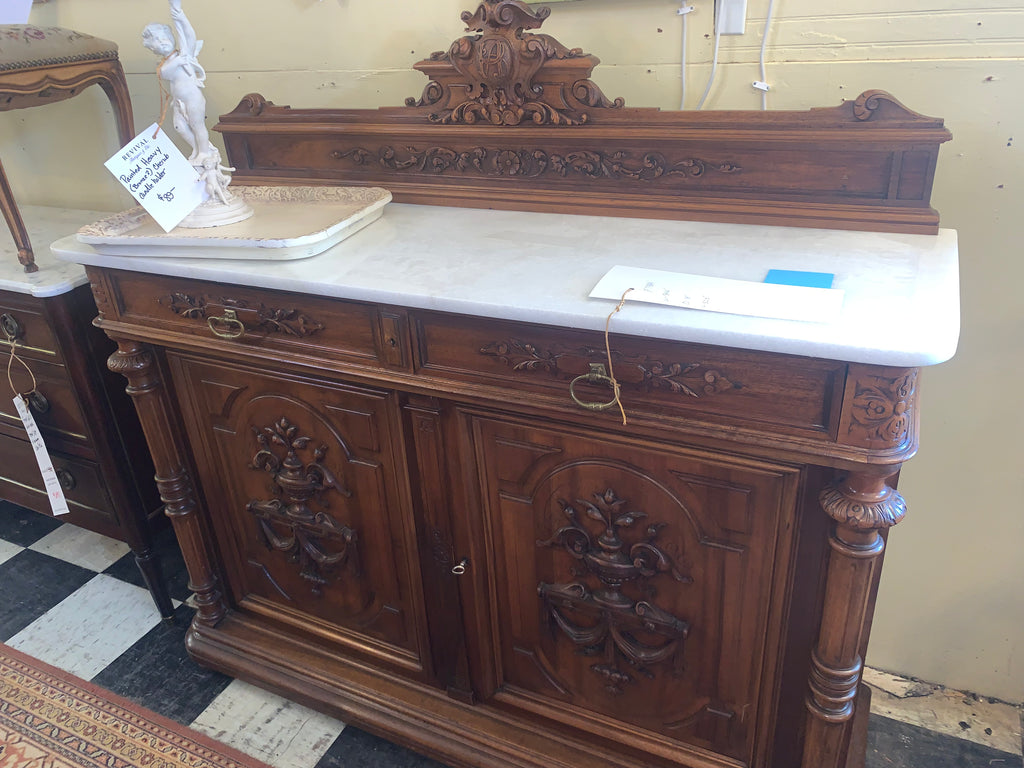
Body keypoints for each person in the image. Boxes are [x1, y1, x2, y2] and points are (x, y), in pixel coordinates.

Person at [142, 0, 211, 163]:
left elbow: (189, 35)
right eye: (156, 43)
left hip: (193, 98)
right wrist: (179, 61)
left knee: (197, 125)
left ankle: (205, 153)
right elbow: (165, 73)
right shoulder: (165, 65)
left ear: (172, 36)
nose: (162, 43)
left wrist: (180, 16)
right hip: (179, 102)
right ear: (153, 50)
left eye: (164, 37)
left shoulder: (186, 55)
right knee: (180, 127)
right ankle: (198, 148)